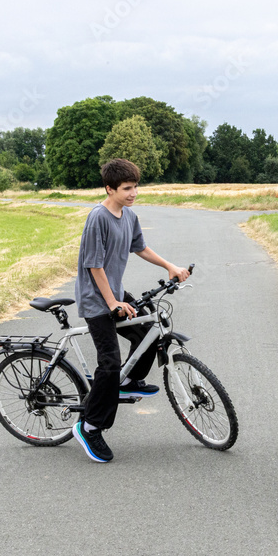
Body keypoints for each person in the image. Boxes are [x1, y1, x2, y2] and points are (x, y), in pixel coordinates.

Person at [73, 158, 189, 463]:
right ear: (109, 188)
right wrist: (112, 304)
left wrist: (170, 266)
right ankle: (90, 426)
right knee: (110, 362)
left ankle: (128, 381)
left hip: (114, 292)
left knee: (148, 331)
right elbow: (93, 265)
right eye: (126, 188)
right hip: (96, 298)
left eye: (135, 186)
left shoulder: (128, 215)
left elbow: (140, 247)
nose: (133, 192)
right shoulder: (98, 217)